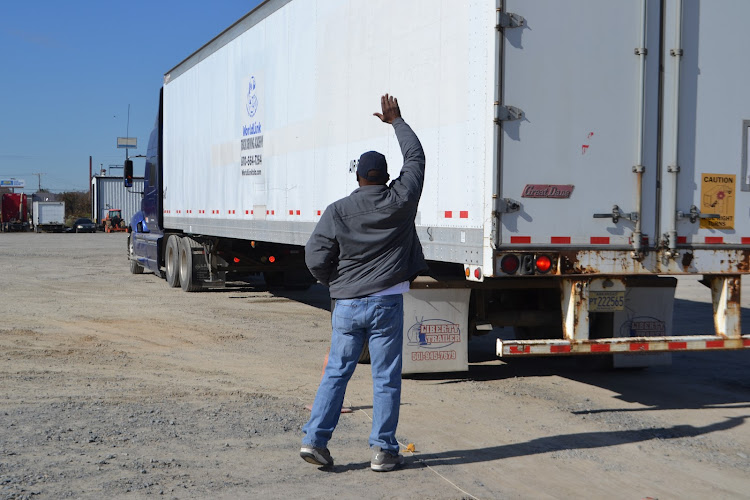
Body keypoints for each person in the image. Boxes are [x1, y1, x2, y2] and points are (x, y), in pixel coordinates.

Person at [300, 94, 427, 472]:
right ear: (386, 177)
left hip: (347, 304)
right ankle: (383, 451)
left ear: (357, 177)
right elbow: (416, 159)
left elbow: (314, 257)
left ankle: (315, 441)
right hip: (387, 303)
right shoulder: (401, 199)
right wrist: (397, 122)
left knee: (337, 372)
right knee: (385, 377)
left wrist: (334, 283)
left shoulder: (338, 210)